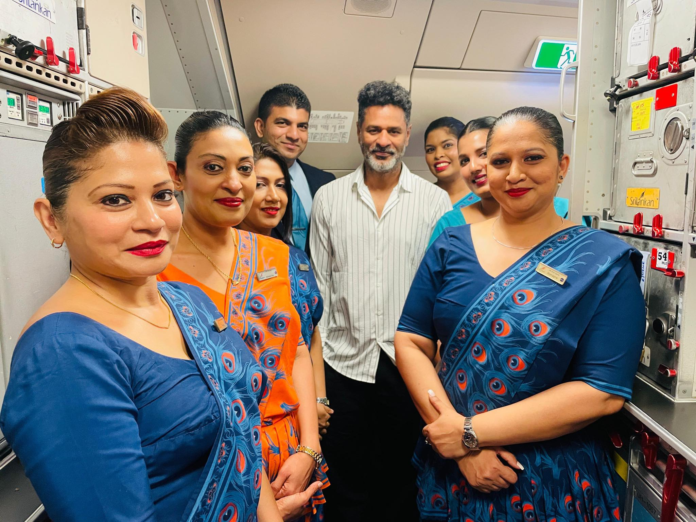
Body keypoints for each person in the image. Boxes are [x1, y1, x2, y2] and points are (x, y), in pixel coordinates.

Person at [0, 88, 316, 521]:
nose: (152, 221)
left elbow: (240, 438)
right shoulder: (62, 354)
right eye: (115, 199)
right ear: (51, 219)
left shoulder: (186, 301)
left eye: (163, 195)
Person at [395, 106, 646, 521]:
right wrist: (460, 445)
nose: (514, 174)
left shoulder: (603, 263)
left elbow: (601, 392)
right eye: (500, 162)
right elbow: (410, 340)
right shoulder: (450, 246)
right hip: (452, 469)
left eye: (532, 158)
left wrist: (469, 434)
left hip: (552, 478)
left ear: (562, 166)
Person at [158, 112, 328, 522]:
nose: (234, 183)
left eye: (245, 169)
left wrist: (309, 447)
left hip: (290, 453)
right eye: (213, 167)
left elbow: (297, 351)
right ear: (177, 175)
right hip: (209, 464)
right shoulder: (155, 268)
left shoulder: (276, 256)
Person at [310, 80, 452, 521]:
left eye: (392, 131)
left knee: (401, 481)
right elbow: (319, 290)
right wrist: (318, 387)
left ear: (407, 135)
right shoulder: (329, 198)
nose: (382, 140)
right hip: (342, 364)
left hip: (407, 365)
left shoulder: (434, 201)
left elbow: (442, 290)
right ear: (359, 131)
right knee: (344, 482)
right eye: (373, 129)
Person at [238, 142, 333, 440]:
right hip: (255, 415)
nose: (273, 196)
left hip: (305, 407)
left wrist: (319, 400)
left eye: (280, 185)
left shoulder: (296, 258)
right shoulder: (229, 260)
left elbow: (310, 333)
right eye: (260, 184)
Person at [429, 116, 571, 246]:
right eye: (464, 161)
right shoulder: (450, 224)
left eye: (484, 154)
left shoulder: (568, 211)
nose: (473, 167)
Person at [255, 84, 335, 252]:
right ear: (260, 127)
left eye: (302, 126)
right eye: (283, 123)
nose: (294, 135)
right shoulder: (241, 181)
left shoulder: (326, 182)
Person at [424, 116, 479, 209]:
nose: (438, 155)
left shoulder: (487, 195)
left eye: (447, 145)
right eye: (430, 149)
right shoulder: (419, 197)